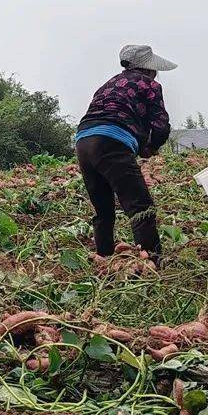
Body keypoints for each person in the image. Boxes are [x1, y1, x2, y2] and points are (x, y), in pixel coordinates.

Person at [75, 45, 174, 263]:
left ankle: (104, 258)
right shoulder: (149, 84)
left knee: (103, 209)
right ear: (148, 69)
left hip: (83, 141)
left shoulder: (107, 85)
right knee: (141, 207)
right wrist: (151, 147)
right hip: (112, 142)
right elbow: (160, 125)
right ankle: (152, 261)